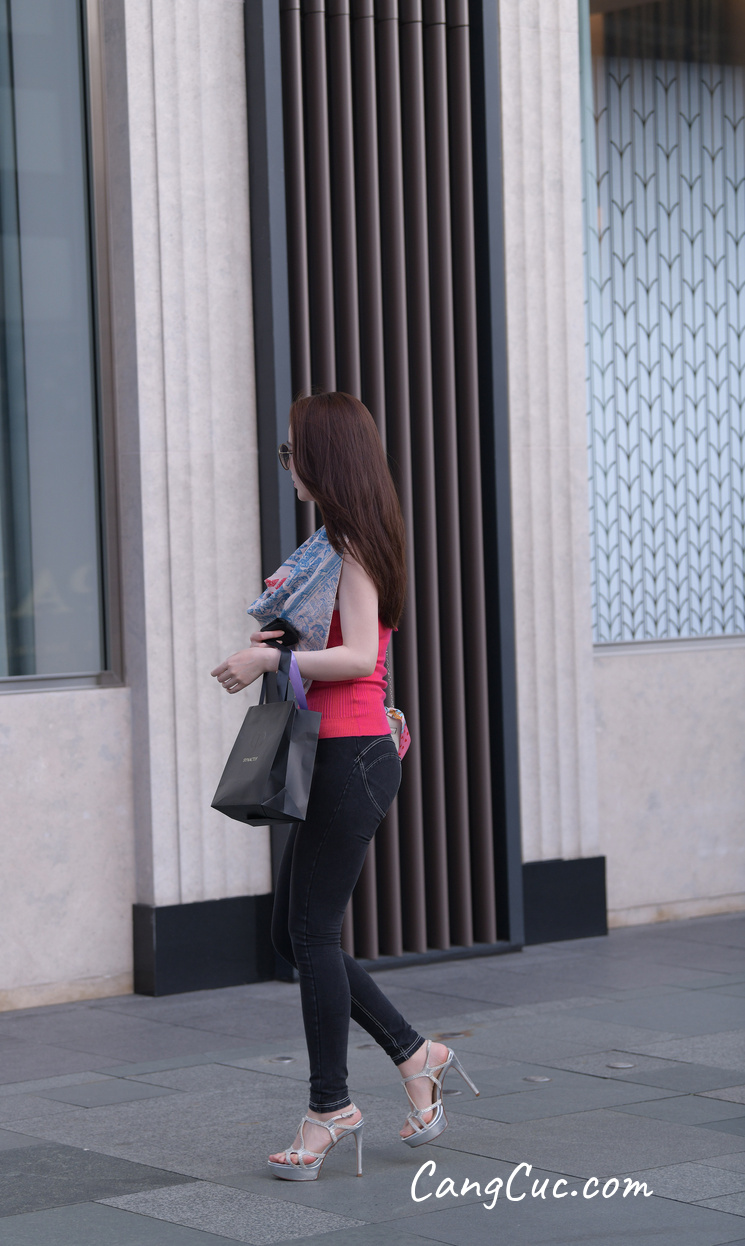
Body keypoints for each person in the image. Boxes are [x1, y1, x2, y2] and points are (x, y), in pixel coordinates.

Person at [211, 392, 476, 1181]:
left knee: (311, 935)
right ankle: (415, 1053)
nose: (287, 466)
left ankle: (330, 1107)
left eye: (292, 452)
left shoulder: (353, 543)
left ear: (324, 457)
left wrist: (271, 659)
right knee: (291, 935)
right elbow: (336, 642)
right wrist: (285, 637)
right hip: (330, 749)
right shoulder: (330, 543)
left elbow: (361, 656)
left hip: (352, 751)